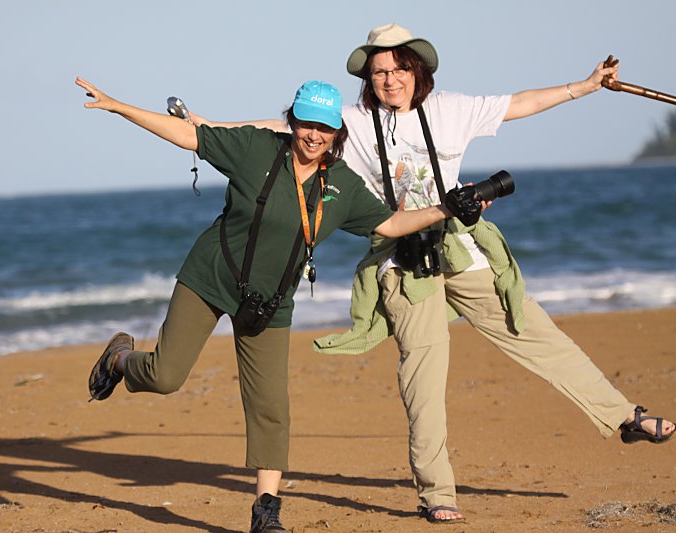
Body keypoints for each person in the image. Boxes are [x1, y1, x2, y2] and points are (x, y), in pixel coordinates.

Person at [191, 23, 675, 525]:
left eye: (399, 68)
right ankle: (437, 493)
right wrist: (206, 127)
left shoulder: (451, 109)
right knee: (423, 378)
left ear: (417, 70)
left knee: (534, 330)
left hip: (461, 250)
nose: (390, 79)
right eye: (379, 72)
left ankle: (624, 416)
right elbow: (271, 129)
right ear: (368, 79)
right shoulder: (351, 123)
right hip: (402, 263)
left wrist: (587, 85)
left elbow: (520, 103)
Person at [74, 76, 457, 533]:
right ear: (292, 121)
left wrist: (447, 209)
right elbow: (188, 135)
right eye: (306, 124)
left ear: (337, 132)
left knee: (270, 406)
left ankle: (266, 511)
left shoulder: (342, 185)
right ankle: (119, 359)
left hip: (270, 302)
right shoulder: (255, 148)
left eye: (325, 128)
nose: (314, 135)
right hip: (212, 277)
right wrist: (119, 106)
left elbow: (391, 223)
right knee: (164, 376)